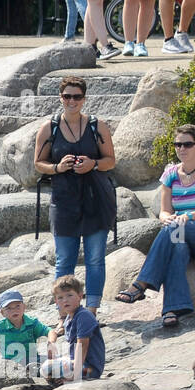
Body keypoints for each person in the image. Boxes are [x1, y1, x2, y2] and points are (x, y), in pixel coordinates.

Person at [115, 124, 195, 327]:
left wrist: (186, 216)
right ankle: (173, 309)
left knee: (174, 228)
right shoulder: (170, 174)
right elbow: (165, 211)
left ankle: (140, 284)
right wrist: (166, 218)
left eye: (187, 144)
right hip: (181, 232)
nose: (182, 149)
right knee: (176, 248)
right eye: (178, 144)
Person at [32, 77, 117, 312]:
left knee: (95, 260)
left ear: (84, 99)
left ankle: (91, 311)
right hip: (64, 201)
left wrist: (93, 164)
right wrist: (58, 167)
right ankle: (65, 312)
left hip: (95, 199)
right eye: (67, 96)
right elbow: (39, 163)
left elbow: (110, 161)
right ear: (60, 98)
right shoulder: (50, 127)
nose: (72, 101)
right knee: (64, 261)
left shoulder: (96, 126)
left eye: (77, 96)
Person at [41, 276, 104, 383]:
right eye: (60, 298)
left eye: (69, 295)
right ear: (56, 301)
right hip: (78, 362)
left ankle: (72, 377)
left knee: (47, 368)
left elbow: (82, 345)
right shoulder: (69, 318)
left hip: (90, 368)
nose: (65, 300)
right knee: (48, 364)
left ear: (80, 296)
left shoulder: (84, 316)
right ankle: (63, 377)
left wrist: (74, 373)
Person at [0, 290, 51, 374]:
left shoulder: (32, 323)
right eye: (8, 308)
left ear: (24, 307)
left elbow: (48, 331)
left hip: (32, 361)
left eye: (17, 306)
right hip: (11, 363)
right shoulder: (0, 327)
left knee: (53, 366)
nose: (14, 310)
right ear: (2, 313)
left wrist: (51, 341)